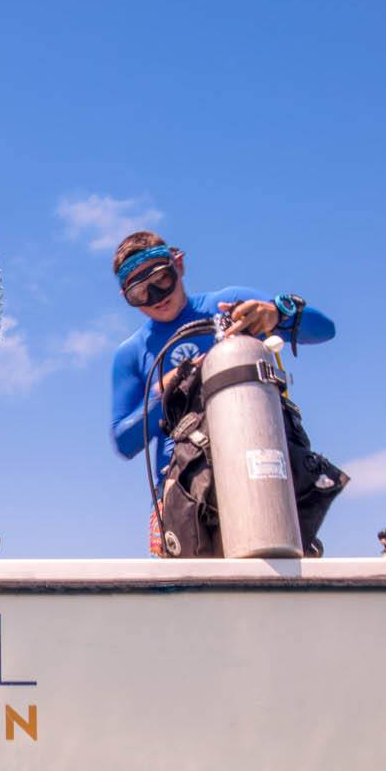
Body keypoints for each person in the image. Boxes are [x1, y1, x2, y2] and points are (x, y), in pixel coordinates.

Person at [109, 233, 336, 553]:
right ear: (125, 296)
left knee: (280, 567)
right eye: (139, 293)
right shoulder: (132, 353)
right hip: (182, 493)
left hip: (263, 474)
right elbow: (123, 439)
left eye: (162, 278)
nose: (156, 296)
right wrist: (164, 391)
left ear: (179, 264)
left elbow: (325, 329)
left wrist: (276, 314)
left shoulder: (229, 303)